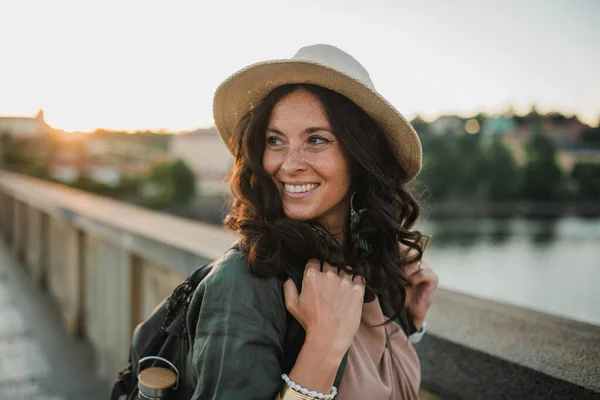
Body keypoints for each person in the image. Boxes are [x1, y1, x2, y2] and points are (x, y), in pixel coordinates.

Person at [186, 44, 438, 400]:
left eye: (316, 140)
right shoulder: (245, 281)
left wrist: (406, 323)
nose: (289, 164)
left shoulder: (364, 267)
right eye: (275, 141)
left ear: (361, 155)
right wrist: (321, 348)